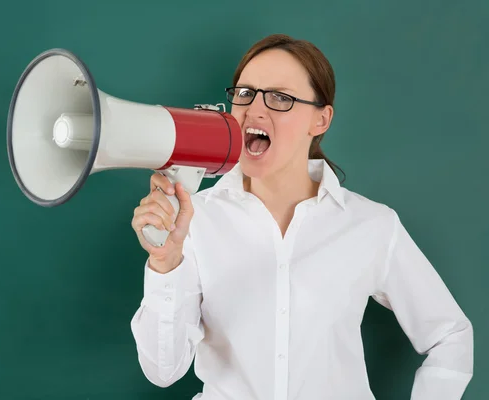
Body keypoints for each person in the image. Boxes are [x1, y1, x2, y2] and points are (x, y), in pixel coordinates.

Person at [129, 33, 474, 400]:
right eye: (245, 93)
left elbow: (450, 335)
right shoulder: (193, 220)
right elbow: (162, 372)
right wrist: (165, 263)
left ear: (321, 120)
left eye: (280, 97)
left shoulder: (371, 225)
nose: (254, 110)